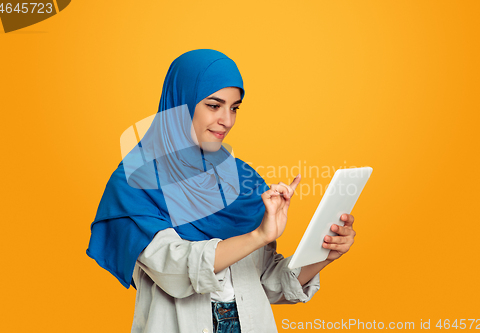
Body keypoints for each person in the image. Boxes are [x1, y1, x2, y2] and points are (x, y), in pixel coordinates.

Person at [86, 49, 356, 333]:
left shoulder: (242, 178)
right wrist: (258, 235)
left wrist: (323, 253)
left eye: (234, 108)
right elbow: (175, 270)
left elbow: (266, 281)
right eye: (214, 106)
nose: (227, 120)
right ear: (181, 103)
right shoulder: (136, 180)